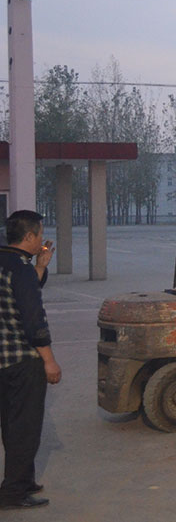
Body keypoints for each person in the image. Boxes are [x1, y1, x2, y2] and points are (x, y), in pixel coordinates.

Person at [0, 210, 60, 510]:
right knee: (25, 428)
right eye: (39, 235)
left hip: (2, 360)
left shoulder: (7, 263)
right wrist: (49, 361)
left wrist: (40, 266)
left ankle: (22, 479)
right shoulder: (21, 269)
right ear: (28, 236)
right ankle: (13, 492)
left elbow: (17, 294)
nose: (41, 241)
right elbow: (33, 319)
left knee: (11, 424)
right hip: (22, 361)